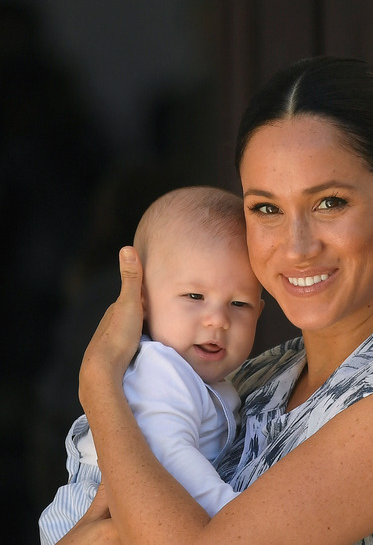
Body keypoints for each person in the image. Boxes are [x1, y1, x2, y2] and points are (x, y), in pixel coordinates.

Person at [60, 56, 373, 544]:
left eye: (330, 203)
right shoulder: (256, 376)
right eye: (266, 208)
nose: (296, 247)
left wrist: (100, 383)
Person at [39, 186, 265, 543]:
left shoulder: (208, 378)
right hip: (96, 516)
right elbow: (170, 456)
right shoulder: (160, 370)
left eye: (239, 304)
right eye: (195, 296)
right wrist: (231, 516)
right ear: (141, 299)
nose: (218, 320)